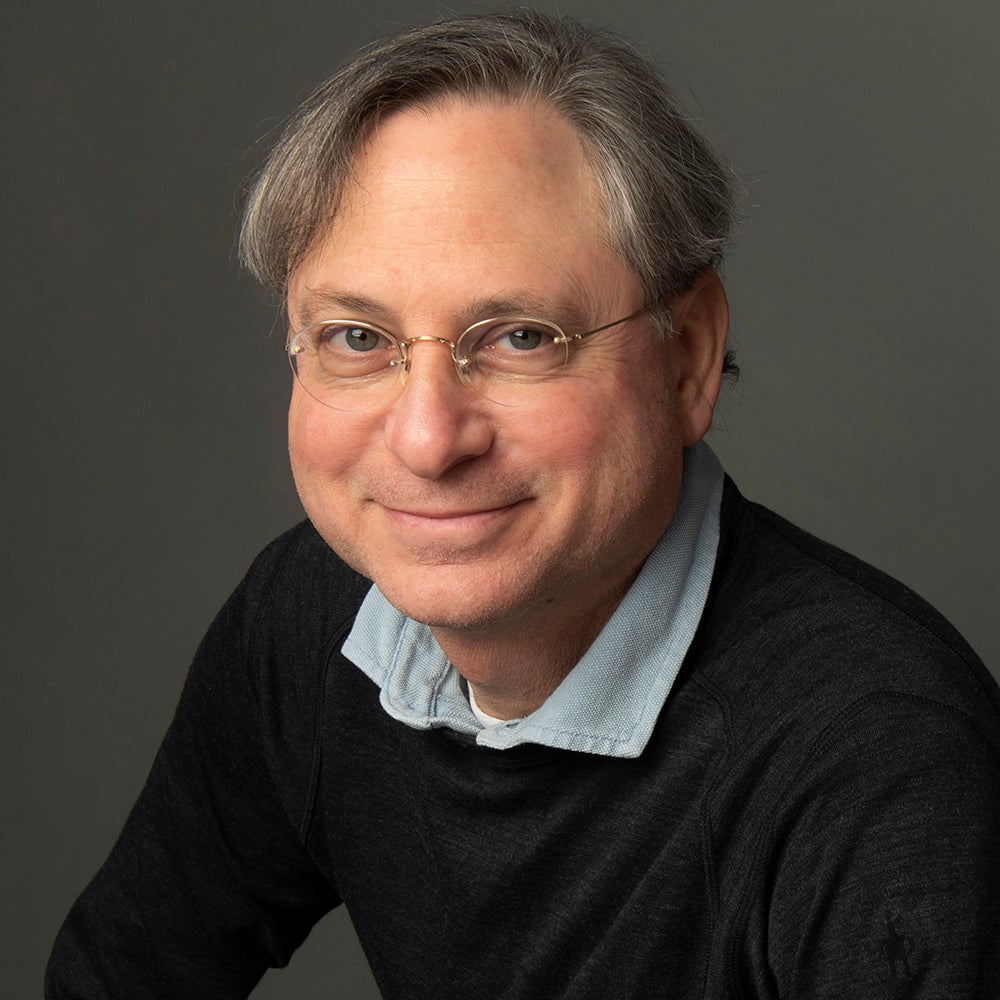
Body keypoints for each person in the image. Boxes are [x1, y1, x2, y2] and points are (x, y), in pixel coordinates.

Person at [46, 9, 1000, 998]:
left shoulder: (882, 763)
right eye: (357, 339)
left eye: (521, 338)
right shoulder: (313, 623)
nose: (428, 440)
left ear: (687, 359)